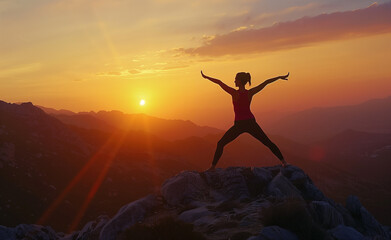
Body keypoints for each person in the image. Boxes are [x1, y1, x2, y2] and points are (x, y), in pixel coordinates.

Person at [201, 70, 289, 171]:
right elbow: (266, 82)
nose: (234, 81)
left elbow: (219, 82)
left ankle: (212, 167)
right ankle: (284, 162)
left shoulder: (234, 92)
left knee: (221, 143)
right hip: (250, 123)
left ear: (239, 81)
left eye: (235, 79)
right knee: (267, 142)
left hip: (239, 125)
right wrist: (278, 77)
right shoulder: (250, 93)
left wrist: (207, 77)